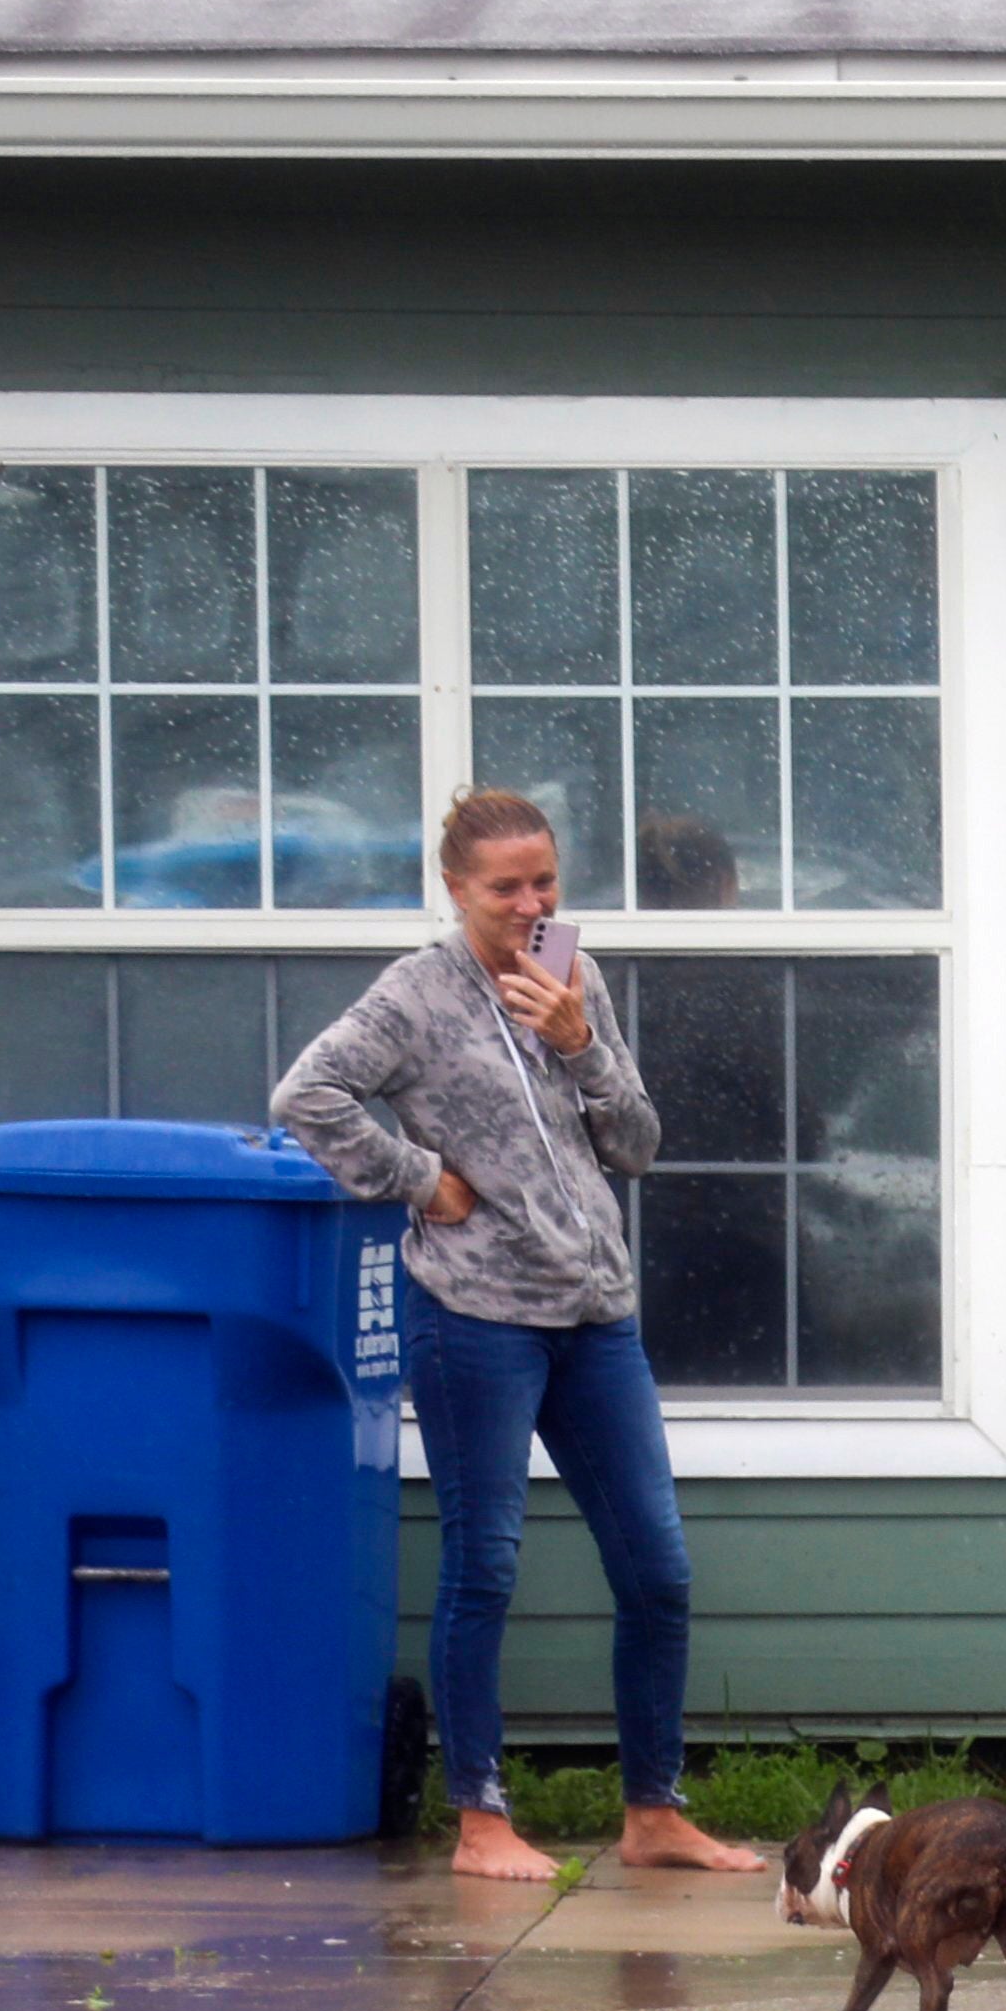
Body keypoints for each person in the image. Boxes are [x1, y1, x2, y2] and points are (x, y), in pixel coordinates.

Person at [274, 789, 760, 1884]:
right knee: (485, 1564)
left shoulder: (570, 979)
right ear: (456, 889)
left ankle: (653, 1812)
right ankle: (480, 1821)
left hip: (595, 1317)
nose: (530, 904)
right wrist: (416, 1182)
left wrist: (581, 1043)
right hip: (475, 1320)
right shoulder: (414, 995)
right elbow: (308, 1095)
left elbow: (635, 1144)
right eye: (506, 889)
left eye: (544, 882)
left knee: (658, 1570)